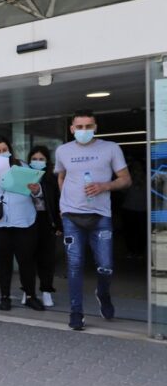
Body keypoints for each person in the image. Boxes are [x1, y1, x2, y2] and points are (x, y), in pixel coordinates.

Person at [56, 109, 131, 330]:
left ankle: (103, 293)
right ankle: (76, 312)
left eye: (88, 126)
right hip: (71, 216)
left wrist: (104, 186)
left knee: (106, 266)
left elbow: (125, 179)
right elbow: (61, 176)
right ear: (72, 129)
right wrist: (63, 204)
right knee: (74, 265)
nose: (84, 130)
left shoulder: (111, 148)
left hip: (100, 215)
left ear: (95, 127)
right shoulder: (62, 150)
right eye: (79, 127)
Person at [0, 135, 44, 312]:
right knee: (4, 260)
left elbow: (37, 192)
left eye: (4, 150)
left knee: (26, 260)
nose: (2, 153)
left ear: (10, 150)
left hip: (24, 220)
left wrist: (36, 189)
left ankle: (30, 296)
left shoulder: (22, 165)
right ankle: (4, 297)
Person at [24, 146, 61, 308]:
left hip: (46, 220)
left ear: (47, 161)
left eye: (41, 159)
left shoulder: (51, 178)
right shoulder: (24, 176)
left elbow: (57, 202)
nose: (37, 162)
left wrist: (59, 225)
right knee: (27, 257)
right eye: (34, 159)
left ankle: (46, 291)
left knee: (47, 258)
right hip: (26, 220)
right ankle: (27, 291)